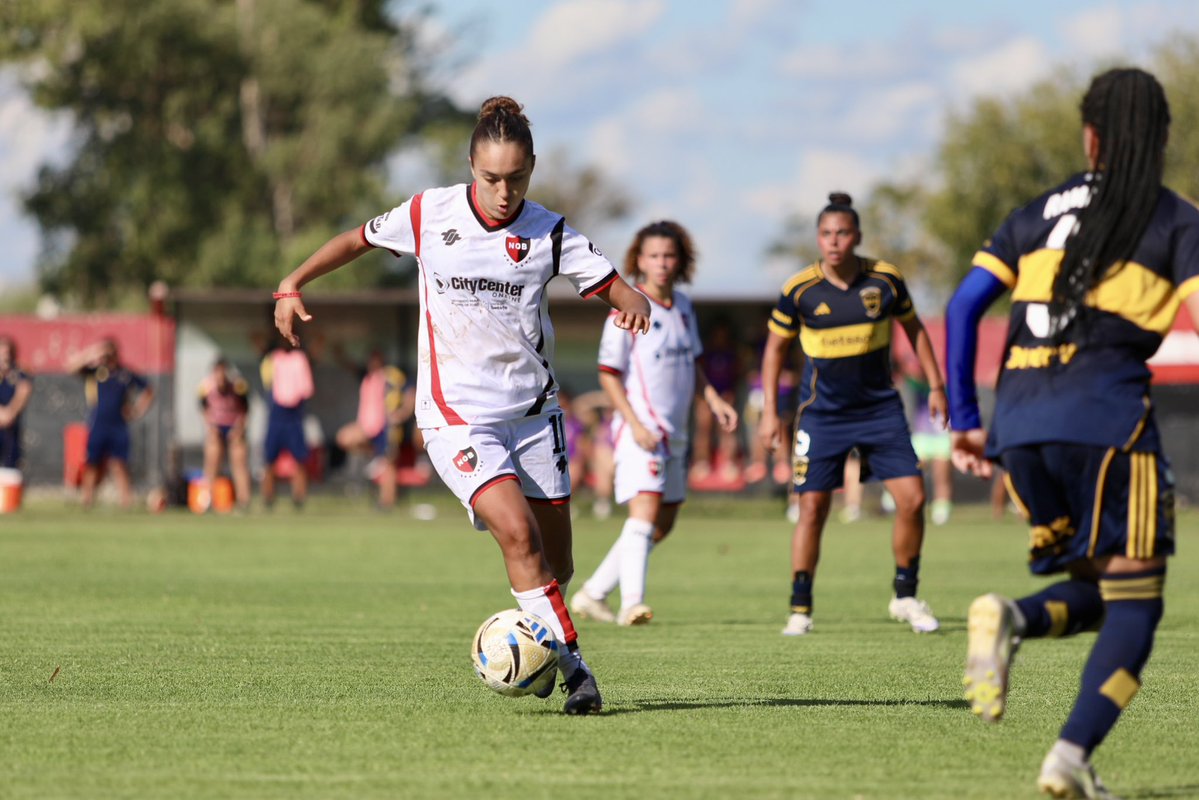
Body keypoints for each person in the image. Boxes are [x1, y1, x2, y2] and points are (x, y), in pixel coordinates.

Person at [272, 96, 651, 714]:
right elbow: (355, 239)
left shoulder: (550, 231)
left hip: (534, 420)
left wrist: (634, 301)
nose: (504, 192)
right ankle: (578, 670)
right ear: (471, 166)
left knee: (558, 563)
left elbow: (612, 285)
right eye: (491, 178)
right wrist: (292, 282)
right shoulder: (428, 213)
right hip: (456, 417)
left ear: (532, 169)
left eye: (517, 178)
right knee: (517, 536)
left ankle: (544, 637)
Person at [947, 67, 1197, 799]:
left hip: (1019, 424)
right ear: (1159, 137)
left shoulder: (1034, 212)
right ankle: (1068, 756)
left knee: (1103, 586)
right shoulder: (1175, 219)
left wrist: (965, 418)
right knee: (1140, 605)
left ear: (1088, 135)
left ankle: (1011, 618)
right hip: (1106, 420)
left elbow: (963, 309)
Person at [757, 192, 947, 637]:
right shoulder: (799, 290)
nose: (834, 241)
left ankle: (905, 596)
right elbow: (774, 350)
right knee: (813, 509)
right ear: (818, 239)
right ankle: (800, 608)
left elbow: (915, 330)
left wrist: (936, 386)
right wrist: (770, 411)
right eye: (826, 233)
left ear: (857, 236)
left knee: (914, 500)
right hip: (821, 415)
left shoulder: (885, 281)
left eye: (842, 233)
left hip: (881, 410)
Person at [570, 221, 738, 627]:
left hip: (677, 435)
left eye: (669, 255)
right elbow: (609, 374)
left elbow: (693, 361)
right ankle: (633, 603)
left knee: (662, 524)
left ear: (679, 260)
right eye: (653, 255)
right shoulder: (626, 310)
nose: (662, 263)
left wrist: (712, 398)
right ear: (638, 260)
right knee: (643, 516)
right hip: (641, 431)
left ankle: (592, 593)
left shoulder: (682, 306)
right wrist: (634, 424)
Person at [67, 339, 154, 509]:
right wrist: (92, 353)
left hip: (118, 425)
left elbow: (148, 390)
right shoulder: (95, 372)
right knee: (92, 463)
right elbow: (72, 368)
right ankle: (87, 499)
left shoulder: (124, 374)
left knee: (119, 464)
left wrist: (137, 410)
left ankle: (126, 501)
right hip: (98, 423)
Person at [334, 349, 414, 510]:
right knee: (343, 438)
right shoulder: (368, 377)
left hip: (386, 426)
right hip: (367, 427)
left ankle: (387, 501)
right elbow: (352, 367)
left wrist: (402, 413)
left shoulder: (391, 375)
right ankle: (372, 457)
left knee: (389, 463)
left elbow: (410, 391)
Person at [260, 341, 315, 509]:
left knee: (299, 459)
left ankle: (299, 499)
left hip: (294, 415)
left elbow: (307, 389)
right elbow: (267, 381)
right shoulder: (272, 359)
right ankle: (268, 498)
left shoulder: (300, 359)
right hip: (276, 414)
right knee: (269, 459)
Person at [197, 357, 252, 511]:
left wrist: (239, 429)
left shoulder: (238, 386)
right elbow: (203, 409)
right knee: (211, 463)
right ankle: (208, 500)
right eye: (217, 373)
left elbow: (245, 410)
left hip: (234, 427)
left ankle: (243, 501)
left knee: (239, 463)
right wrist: (211, 427)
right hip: (216, 427)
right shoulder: (206, 387)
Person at [0, 337, 33, 469]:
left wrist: (9, 413)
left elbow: (24, 391)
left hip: (10, 432)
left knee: (10, 472)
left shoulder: (19, 375)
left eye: (6, 354)